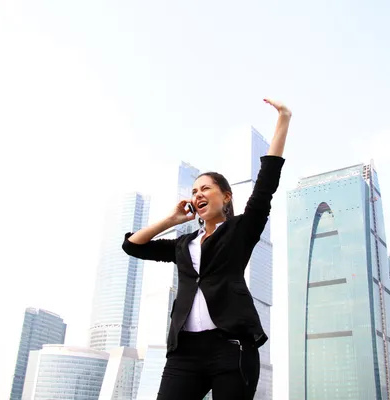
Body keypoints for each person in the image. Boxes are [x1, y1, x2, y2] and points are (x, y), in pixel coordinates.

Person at [122, 98, 292, 400]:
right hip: (184, 353)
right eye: (194, 190)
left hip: (231, 348)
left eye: (206, 189)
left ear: (225, 197)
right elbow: (133, 246)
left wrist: (283, 120)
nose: (198, 194)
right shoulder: (183, 245)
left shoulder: (240, 230)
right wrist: (173, 220)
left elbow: (266, 182)